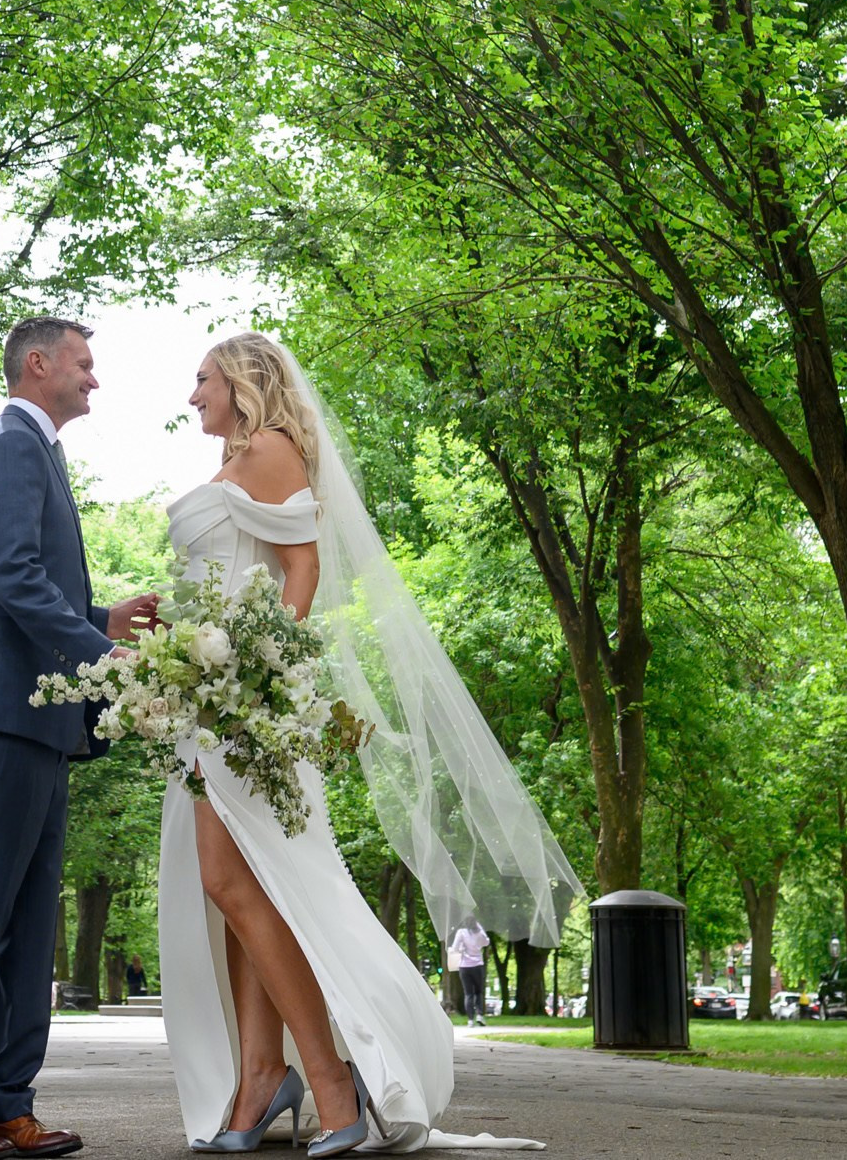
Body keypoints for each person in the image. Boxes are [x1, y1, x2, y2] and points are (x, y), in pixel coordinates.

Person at [159, 332, 573, 1155]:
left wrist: (257, 680)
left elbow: (300, 570)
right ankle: (258, 1081)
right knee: (248, 892)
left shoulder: (272, 447)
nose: (192, 393)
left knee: (240, 884)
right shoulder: (241, 458)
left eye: (202, 378)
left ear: (242, 380)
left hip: (247, 707)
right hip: (210, 702)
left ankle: (333, 1079)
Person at [0, 318, 161, 1160]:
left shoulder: (36, 451)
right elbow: (10, 577)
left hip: (40, 721)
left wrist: (95, 618)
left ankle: (4, 1100)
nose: (94, 379)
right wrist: (105, 654)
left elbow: (23, 580)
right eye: (84, 363)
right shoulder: (8, 444)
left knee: (28, 922)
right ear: (37, 364)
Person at [446, 922, 490, 1028]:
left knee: (468, 994)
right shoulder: (479, 931)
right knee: (479, 992)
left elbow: (455, 948)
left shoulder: (461, 932)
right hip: (478, 965)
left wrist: (459, 948)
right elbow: (486, 942)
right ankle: (479, 1015)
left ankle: (470, 1020)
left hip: (464, 966)